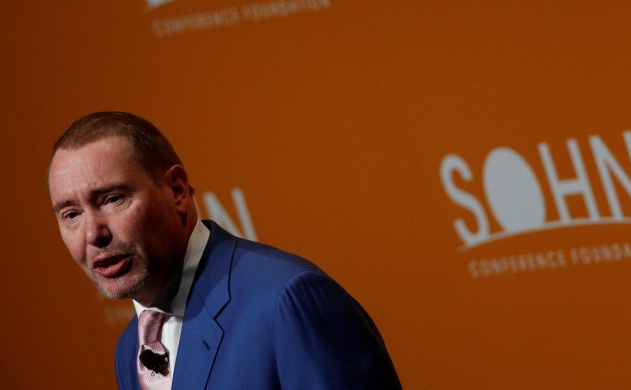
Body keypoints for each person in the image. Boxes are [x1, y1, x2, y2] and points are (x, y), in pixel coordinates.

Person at [47, 111, 402, 389]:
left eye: (112, 199)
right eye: (71, 214)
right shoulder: (130, 348)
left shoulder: (286, 302)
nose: (93, 233)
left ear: (177, 191)